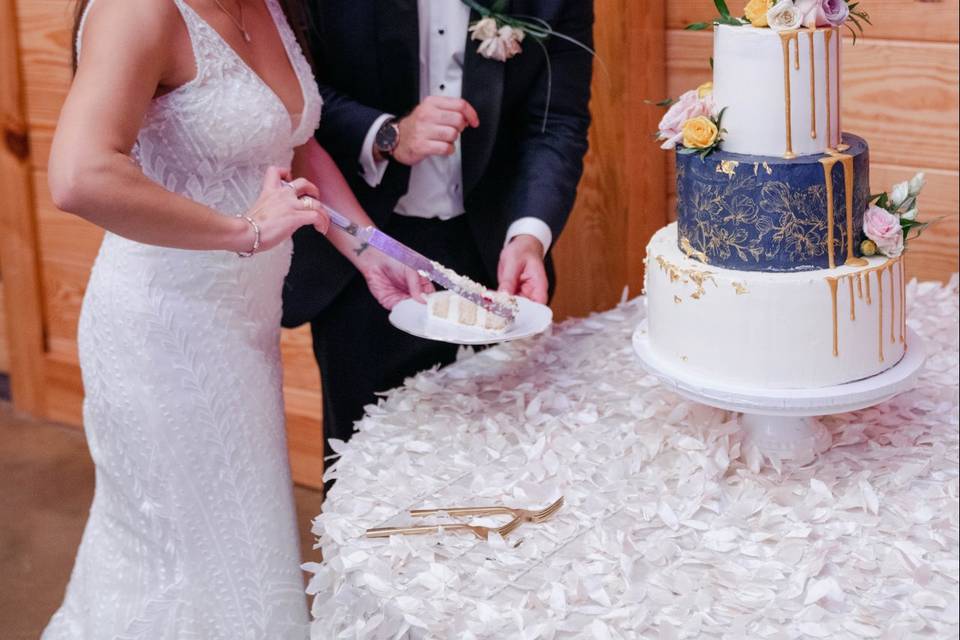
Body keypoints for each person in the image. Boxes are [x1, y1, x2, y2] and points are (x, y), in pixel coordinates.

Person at [42, 1, 424, 637]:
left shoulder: (269, 4)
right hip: (162, 332)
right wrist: (242, 229)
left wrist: (368, 249)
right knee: (191, 557)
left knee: (245, 545)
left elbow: (291, 144)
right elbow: (80, 175)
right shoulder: (141, 11)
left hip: (242, 331)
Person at [282, 0, 594, 460]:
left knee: (498, 459)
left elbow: (556, 121)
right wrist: (385, 134)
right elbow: (292, 91)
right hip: (361, 259)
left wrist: (529, 233)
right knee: (362, 467)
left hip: (493, 259)